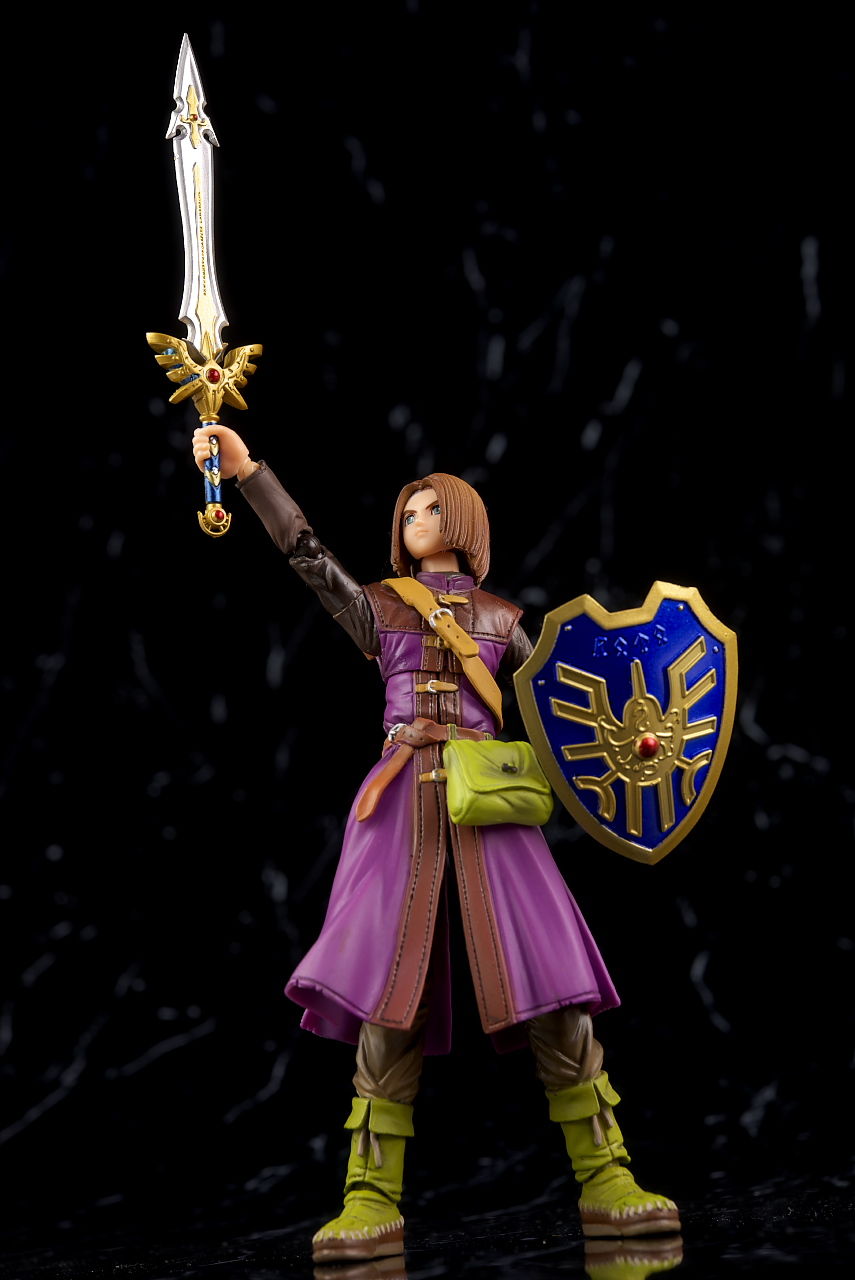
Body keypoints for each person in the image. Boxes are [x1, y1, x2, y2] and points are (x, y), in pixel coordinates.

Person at [192, 427, 681, 1264]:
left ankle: (608, 1177)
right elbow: (306, 553)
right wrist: (247, 474)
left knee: (552, 987)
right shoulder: (380, 606)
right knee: (390, 996)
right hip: (401, 808)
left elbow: (569, 711)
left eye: (428, 508)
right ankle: (368, 1194)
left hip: (492, 806)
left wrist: (638, 743)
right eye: (408, 510)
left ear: (462, 520)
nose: (414, 519)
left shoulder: (504, 620)